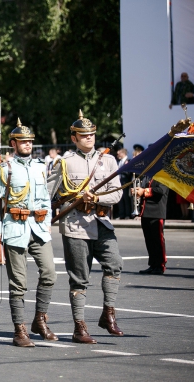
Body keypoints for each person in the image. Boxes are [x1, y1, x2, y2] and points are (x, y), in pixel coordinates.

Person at [47, 110, 124, 344]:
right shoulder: (64, 162)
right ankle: (79, 327)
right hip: (75, 225)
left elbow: (118, 194)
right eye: (83, 135)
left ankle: (108, 314)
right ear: (74, 138)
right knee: (80, 278)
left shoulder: (108, 160)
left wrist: (97, 199)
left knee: (115, 265)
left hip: (101, 222)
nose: (89, 137)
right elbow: (48, 194)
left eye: (91, 134)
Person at [0, 119, 57, 347]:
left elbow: (46, 199)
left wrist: (49, 220)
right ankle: (19, 329)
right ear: (13, 143)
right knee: (19, 283)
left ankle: (40, 320)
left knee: (50, 274)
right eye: (22, 141)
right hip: (15, 228)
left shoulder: (41, 167)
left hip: (39, 228)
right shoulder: (7, 169)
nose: (27, 144)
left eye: (30, 141)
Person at [134, 175, 169, 275]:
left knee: (158, 240)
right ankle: (153, 264)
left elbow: (161, 190)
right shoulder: (147, 176)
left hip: (157, 212)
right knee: (149, 240)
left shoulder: (163, 175)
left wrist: (143, 191)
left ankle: (160, 264)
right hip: (146, 212)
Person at [115, 148, 132, 219]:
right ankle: (121, 214)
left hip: (125, 182)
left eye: (118, 154)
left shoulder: (128, 161)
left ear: (122, 153)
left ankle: (127, 214)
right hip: (119, 182)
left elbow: (129, 172)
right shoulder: (119, 162)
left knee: (126, 198)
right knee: (120, 198)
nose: (117, 155)